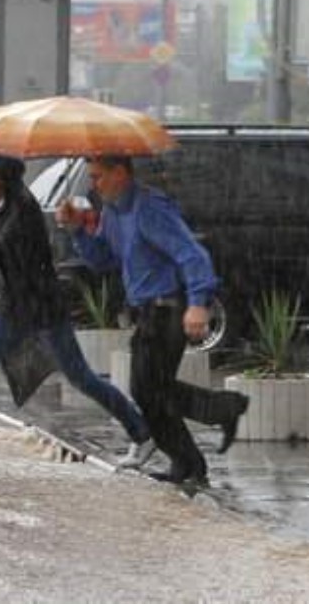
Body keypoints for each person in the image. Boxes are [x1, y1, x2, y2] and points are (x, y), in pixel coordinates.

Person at [0, 152, 155, 476]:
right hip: (29, 305)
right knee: (80, 376)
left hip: (28, 307)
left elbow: (3, 249)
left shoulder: (22, 209)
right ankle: (141, 431)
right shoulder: (4, 202)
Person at [56, 155, 249, 495]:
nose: (93, 185)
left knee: (148, 390)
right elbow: (104, 260)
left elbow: (191, 254)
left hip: (168, 310)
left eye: (98, 176)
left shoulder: (150, 208)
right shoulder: (114, 211)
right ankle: (209, 430)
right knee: (152, 390)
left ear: (120, 173)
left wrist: (198, 303)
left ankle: (193, 453)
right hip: (146, 312)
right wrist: (77, 230)